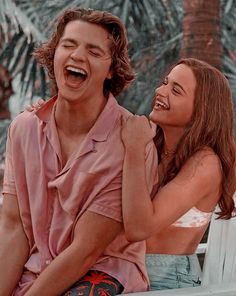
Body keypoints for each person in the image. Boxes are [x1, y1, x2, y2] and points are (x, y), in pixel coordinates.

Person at [0, 8, 158, 296]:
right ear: (54, 54)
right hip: (36, 269)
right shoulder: (23, 129)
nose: (77, 56)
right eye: (69, 45)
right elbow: (14, 228)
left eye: (94, 51)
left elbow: (86, 250)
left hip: (102, 271)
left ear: (111, 69)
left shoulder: (130, 141)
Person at [121, 58, 236, 290]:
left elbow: (139, 228)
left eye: (175, 90)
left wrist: (133, 149)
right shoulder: (152, 147)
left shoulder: (206, 164)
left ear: (201, 110)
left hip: (168, 280)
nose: (160, 91)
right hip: (125, 270)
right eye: (164, 83)